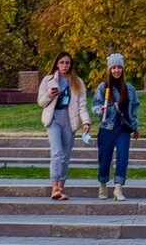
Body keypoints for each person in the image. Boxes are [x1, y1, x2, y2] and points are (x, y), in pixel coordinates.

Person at [37, 51, 90, 200]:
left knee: (65, 155)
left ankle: (61, 187)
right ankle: (54, 186)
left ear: (70, 65)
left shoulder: (77, 82)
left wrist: (86, 121)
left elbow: (82, 105)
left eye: (67, 63)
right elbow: (40, 102)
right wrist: (50, 95)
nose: (64, 65)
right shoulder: (48, 80)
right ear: (57, 64)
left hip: (69, 119)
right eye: (61, 63)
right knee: (57, 152)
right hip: (53, 118)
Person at [91, 52, 139, 201]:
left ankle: (118, 188)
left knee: (123, 157)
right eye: (114, 68)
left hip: (123, 128)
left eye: (119, 67)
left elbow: (134, 109)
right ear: (109, 70)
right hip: (107, 128)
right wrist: (101, 110)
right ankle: (103, 184)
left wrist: (135, 127)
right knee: (105, 158)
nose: (117, 71)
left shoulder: (129, 88)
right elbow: (94, 106)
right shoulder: (103, 87)